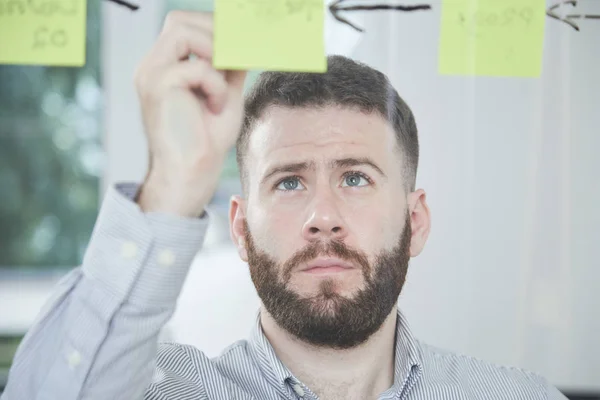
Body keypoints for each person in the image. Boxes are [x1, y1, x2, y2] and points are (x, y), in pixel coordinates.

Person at [2, 11, 567, 400]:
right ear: (242, 230)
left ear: (414, 221)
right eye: (289, 183)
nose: (323, 214)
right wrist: (171, 187)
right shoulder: (160, 389)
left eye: (355, 177)